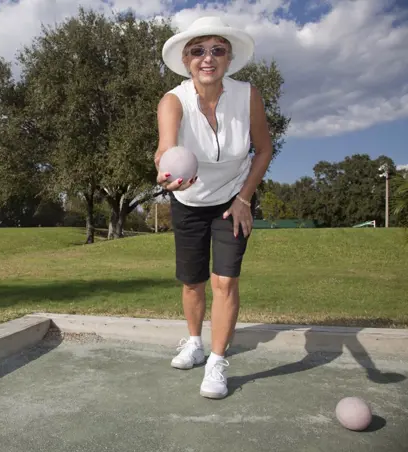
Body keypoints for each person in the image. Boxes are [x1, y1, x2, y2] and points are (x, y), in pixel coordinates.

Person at [155, 16, 274, 399]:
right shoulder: (173, 100)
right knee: (193, 282)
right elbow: (165, 148)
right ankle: (194, 341)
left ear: (228, 57)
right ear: (187, 60)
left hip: (232, 199)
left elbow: (264, 148)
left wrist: (244, 198)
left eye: (217, 50)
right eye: (198, 51)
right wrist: (167, 173)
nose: (208, 58)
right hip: (188, 200)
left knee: (225, 280)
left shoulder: (247, 95)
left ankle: (217, 362)